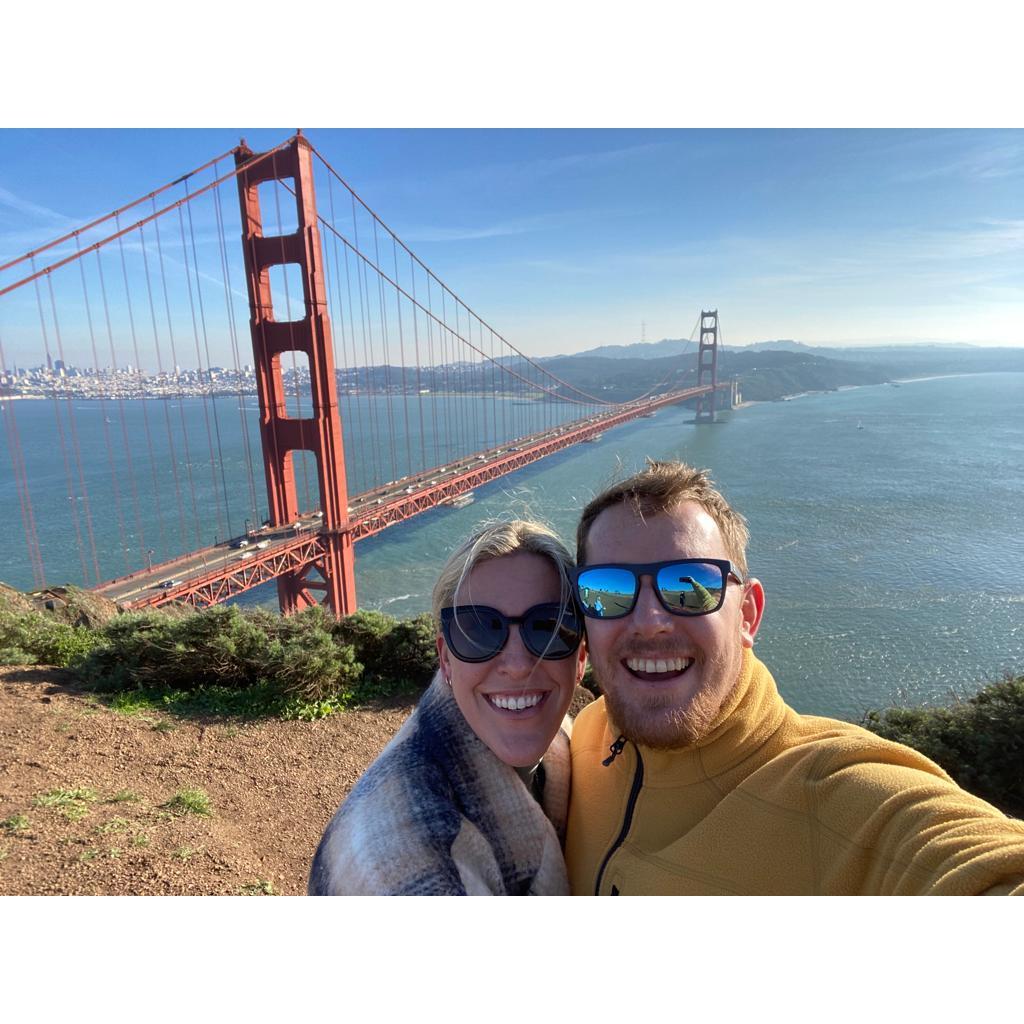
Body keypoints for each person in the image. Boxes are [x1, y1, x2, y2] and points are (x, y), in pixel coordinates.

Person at [565, 460, 1024, 895]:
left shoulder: (840, 795)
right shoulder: (580, 739)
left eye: (689, 585)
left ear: (748, 614)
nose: (649, 621)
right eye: (608, 590)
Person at [309, 519, 588, 895]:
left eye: (548, 628)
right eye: (479, 630)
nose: (519, 664)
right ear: (446, 659)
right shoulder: (405, 868)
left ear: (581, 658)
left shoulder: (582, 745)